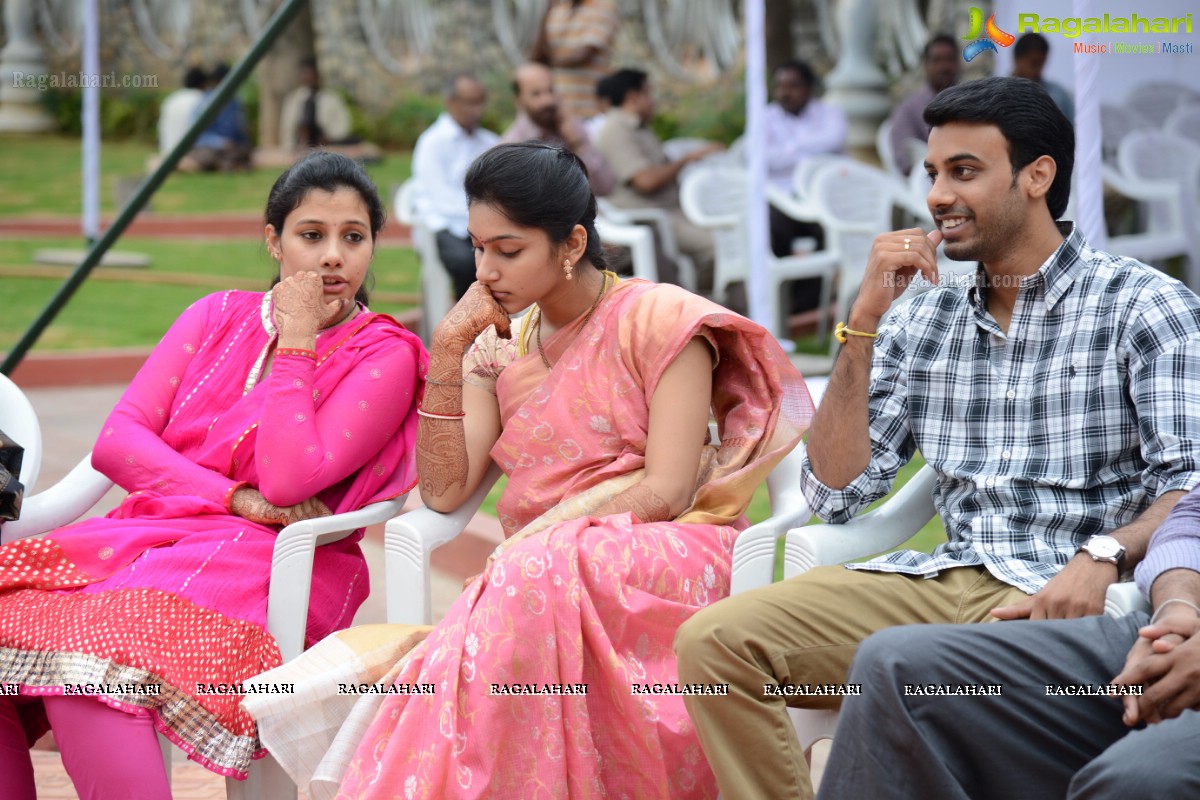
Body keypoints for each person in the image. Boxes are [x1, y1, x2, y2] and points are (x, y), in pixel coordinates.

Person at [674, 76, 1200, 800]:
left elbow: (1189, 481)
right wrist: (861, 324)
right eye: (932, 174)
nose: (936, 197)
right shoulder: (924, 321)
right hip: (939, 579)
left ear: (1037, 176)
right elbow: (836, 493)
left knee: (909, 678)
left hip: (1063, 592)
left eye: (964, 172)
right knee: (715, 644)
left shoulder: (1144, 305)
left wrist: (1104, 554)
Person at [245, 142, 812, 799]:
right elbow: (445, 488)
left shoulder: (662, 321)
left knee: (516, 587)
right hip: (534, 571)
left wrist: (543, 543)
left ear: (571, 244)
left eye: (507, 251)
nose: (485, 271)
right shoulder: (498, 340)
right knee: (521, 587)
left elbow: (668, 488)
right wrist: (451, 352)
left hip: (663, 549)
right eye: (478, 247)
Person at [0, 151, 426, 799]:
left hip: (274, 559)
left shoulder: (384, 354)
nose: (333, 256)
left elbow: (287, 484)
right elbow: (120, 442)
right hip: (155, 535)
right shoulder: (213, 315)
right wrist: (228, 495)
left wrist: (298, 341)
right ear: (273, 241)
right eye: (312, 235)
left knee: (90, 677)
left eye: (354, 237)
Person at [819, 494, 1200, 799]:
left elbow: (1179, 475)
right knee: (895, 667)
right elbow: (1189, 523)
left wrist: (1105, 554)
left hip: (1047, 584)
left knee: (1140, 780)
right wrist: (1175, 610)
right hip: (1170, 629)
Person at [595, 68, 724, 294]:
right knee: (714, 247)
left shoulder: (638, 127)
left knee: (732, 237)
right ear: (633, 96)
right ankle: (704, 309)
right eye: (649, 93)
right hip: (651, 216)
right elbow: (645, 181)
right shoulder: (616, 129)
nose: (653, 101)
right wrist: (687, 159)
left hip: (671, 211)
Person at [764, 58, 847, 316]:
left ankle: (810, 302)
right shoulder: (765, 118)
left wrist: (788, 149)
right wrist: (809, 149)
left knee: (830, 230)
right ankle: (784, 299)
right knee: (772, 227)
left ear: (809, 88)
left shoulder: (830, 113)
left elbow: (834, 140)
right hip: (783, 198)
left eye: (793, 86)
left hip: (823, 197)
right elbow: (765, 158)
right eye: (781, 86)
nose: (785, 93)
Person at [411, 73, 499, 301]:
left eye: (480, 102)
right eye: (470, 103)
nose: (477, 110)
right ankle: (470, 322)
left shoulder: (490, 142)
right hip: (442, 225)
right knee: (467, 263)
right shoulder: (432, 142)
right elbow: (441, 200)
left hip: (483, 226)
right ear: (450, 102)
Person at [502, 61, 615, 197]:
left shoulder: (571, 126)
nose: (548, 100)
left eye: (550, 90)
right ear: (518, 100)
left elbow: (605, 187)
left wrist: (577, 143)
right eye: (536, 94)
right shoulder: (512, 147)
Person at [278, 57, 381, 163]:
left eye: (310, 74)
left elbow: (342, 127)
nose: (308, 78)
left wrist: (327, 138)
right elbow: (288, 127)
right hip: (302, 143)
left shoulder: (331, 98)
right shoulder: (294, 99)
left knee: (358, 143)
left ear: (317, 76)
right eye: (304, 74)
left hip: (328, 142)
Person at [531, 0, 620, 119]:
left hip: (590, 111)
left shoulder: (602, 8)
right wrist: (547, 10)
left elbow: (584, 55)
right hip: (559, 111)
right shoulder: (558, 10)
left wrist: (550, 62)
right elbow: (537, 57)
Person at [887, 34, 959, 175]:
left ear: (958, 63)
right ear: (925, 65)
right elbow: (904, 158)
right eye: (937, 60)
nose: (944, 67)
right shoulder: (909, 109)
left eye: (949, 59)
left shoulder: (974, 103)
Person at [183, 63, 253, 173]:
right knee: (208, 155)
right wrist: (220, 143)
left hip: (233, 147)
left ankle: (227, 163)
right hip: (211, 147)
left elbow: (241, 131)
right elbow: (196, 136)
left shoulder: (235, 102)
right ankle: (226, 164)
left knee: (242, 152)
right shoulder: (205, 102)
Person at [1012, 32, 1075, 124]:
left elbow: (1074, 129)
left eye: (1042, 64)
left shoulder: (1059, 96)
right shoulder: (997, 94)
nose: (1038, 70)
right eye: (1034, 63)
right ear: (1017, 60)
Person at [157, 65, 206, 156]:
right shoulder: (202, 100)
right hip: (191, 153)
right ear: (203, 83)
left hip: (167, 152)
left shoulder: (171, 99)